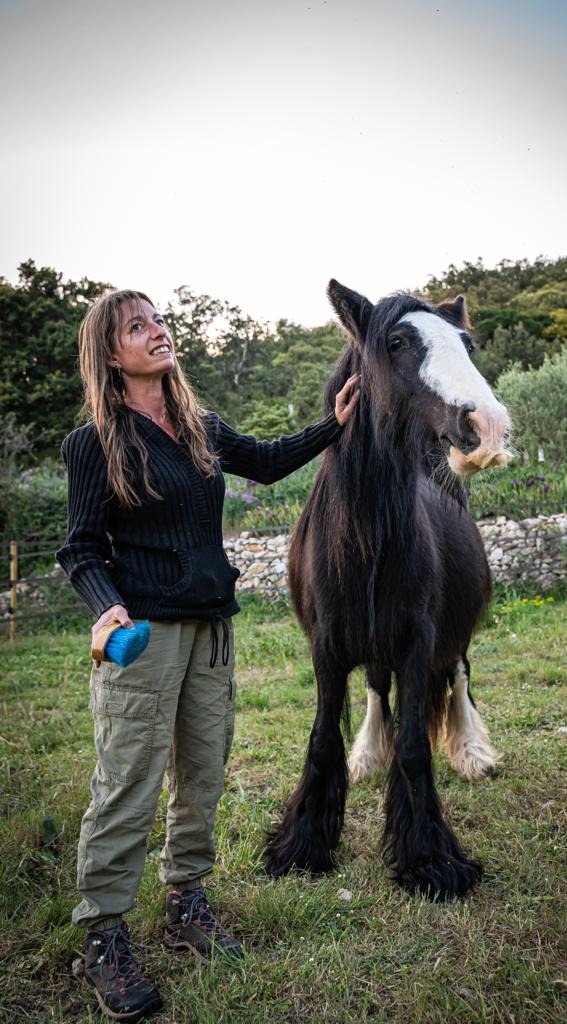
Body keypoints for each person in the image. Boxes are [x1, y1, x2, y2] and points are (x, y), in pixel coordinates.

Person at [57, 288, 360, 1021]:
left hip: (211, 631)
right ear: (109, 352)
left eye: (158, 320)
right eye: (138, 327)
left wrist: (334, 424)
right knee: (128, 780)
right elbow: (80, 549)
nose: (158, 332)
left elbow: (264, 461)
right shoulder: (93, 441)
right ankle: (104, 934)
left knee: (202, 777)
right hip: (144, 638)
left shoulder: (198, 426)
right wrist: (108, 606)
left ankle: (187, 901)